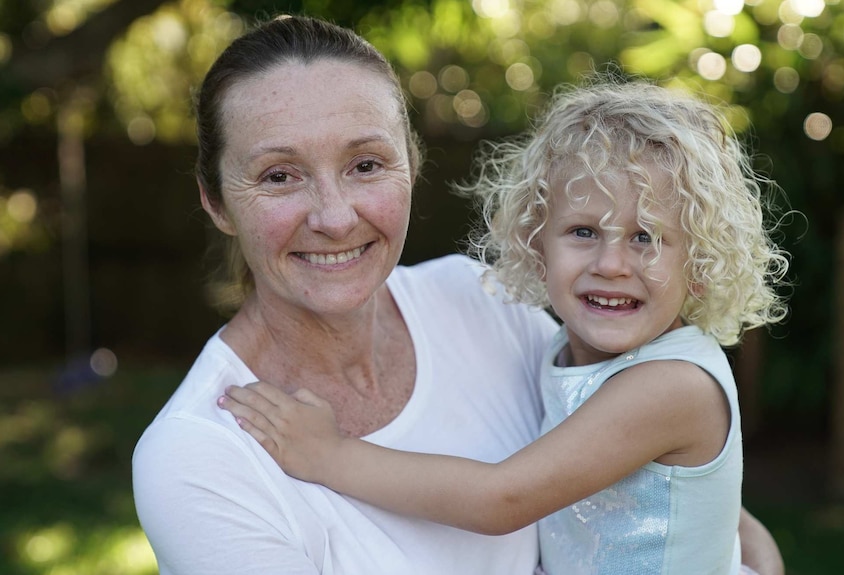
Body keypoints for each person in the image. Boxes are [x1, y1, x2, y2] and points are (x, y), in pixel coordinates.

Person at [131, 13, 784, 575]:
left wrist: (744, 544)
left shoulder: (481, 302)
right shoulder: (198, 457)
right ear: (215, 199)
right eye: (279, 175)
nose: (333, 216)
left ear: (412, 164)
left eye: (365, 164)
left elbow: (631, 481)